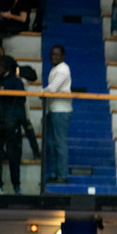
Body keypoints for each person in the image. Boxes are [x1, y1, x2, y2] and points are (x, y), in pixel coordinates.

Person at [0, 59, 25, 194]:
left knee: (14, 156)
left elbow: (21, 99)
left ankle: (16, 186)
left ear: (5, 68)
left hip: (11, 123)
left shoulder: (15, 81)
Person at [42, 45, 72, 185]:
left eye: (57, 54)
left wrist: (40, 92)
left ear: (63, 56)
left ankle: (62, 176)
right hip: (53, 110)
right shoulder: (56, 69)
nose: (54, 57)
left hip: (61, 111)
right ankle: (54, 174)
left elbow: (52, 89)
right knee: (51, 144)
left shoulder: (63, 69)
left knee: (59, 144)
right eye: (52, 54)